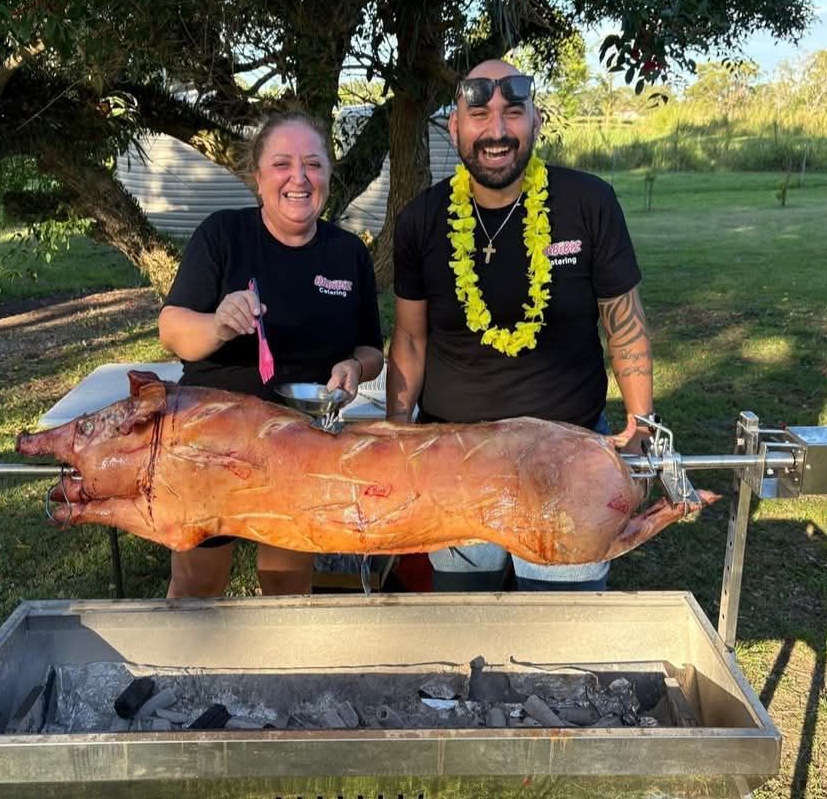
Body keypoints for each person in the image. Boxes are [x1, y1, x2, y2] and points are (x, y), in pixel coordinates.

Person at [387, 59, 654, 592]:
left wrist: (642, 426)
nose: (497, 130)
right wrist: (396, 433)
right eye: (479, 113)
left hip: (570, 457)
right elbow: (411, 339)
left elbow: (623, 322)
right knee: (465, 626)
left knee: (563, 632)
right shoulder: (420, 219)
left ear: (535, 121)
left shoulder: (589, 202)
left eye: (513, 112)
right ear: (454, 127)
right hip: (456, 457)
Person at [159, 110, 384, 598]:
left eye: (313, 164)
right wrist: (218, 323)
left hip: (298, 444)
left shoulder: (348, 254)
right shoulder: (223, 236)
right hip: (210, 442)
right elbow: (172, 329)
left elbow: (371, 349)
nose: (298, 178)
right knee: (198, 584)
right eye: (282, 164)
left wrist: (354, 366)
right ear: (258, 178)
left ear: (328, 174)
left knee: (287, 586)